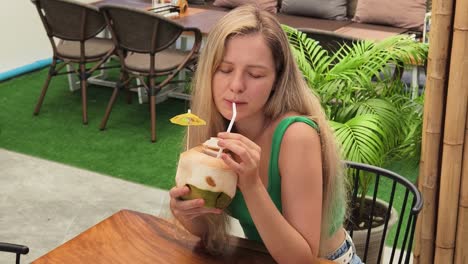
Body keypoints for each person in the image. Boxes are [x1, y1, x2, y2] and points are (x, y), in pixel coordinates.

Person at [169, 4, 362, 264]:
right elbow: (205, 231)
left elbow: (302, 260)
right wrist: (185, 211)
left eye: (256, 74)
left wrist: (251, 184)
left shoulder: (297, 136)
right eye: (224, 70)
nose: (236, 86)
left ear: (276, 80)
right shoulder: (215, 128)